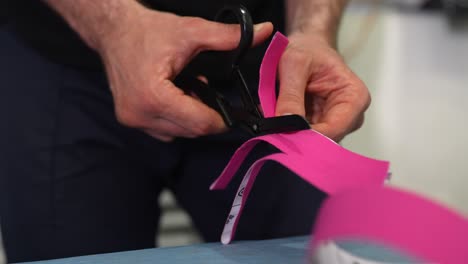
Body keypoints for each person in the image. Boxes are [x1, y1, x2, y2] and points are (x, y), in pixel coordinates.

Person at [0, 0, 370, 262]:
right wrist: (112, 22)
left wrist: (314, 30)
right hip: (61, 57)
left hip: (260, 70)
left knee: (316, 250)